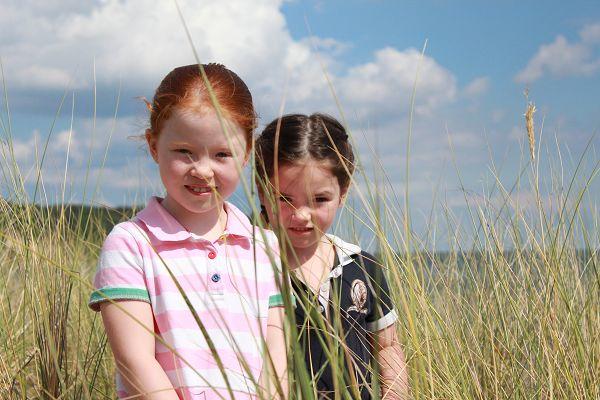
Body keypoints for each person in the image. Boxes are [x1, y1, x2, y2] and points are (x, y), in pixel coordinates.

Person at [89, 64, 287, 400]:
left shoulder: (264, 248)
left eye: (222, 154)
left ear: (246, 154)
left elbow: (276, 364)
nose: (203, 170)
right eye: (184, 152)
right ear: (154, 146)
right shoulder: (131, 243)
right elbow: (135, 361)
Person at [254, 113, 408, 399]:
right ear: (263, 193)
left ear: (343, 192)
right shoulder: (250, 265)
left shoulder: (362, 266)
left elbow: (387, 346)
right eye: (285, 199)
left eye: (320, 199)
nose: (301, 215)